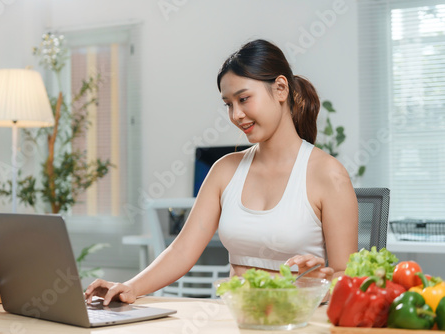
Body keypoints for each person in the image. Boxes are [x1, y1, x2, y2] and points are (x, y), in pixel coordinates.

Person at [85, 39, 358, 305]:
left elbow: (345, 275)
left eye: (244, 99)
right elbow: (181, 250)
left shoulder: (328, 175)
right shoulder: (225, 170)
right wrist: (130, 287)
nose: (236, 114)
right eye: (229, 104)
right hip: (235, 320)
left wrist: (318, 285)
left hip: (299, 323)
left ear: (280, 89)